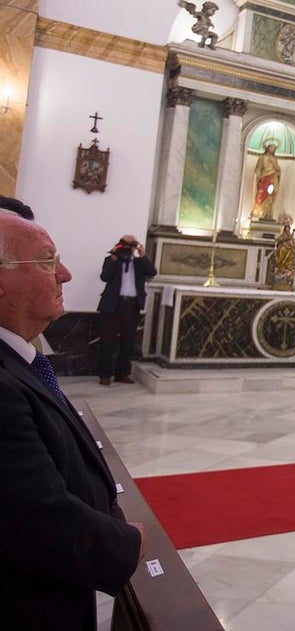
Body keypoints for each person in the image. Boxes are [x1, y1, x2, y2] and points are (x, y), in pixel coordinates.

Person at [0, 201, 146, 630]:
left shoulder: (21, 361)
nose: (64, 274)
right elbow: (36, 518)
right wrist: (128, 542)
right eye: (48, 261)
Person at [96, 234, 157, 385]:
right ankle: (105, 374)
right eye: (126, 244)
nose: (128, 248)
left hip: (132, 305)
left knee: (128, 341)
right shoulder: (111, 260)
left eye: (132, 244)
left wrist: (142, 255)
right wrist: (114, 256)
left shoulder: (139, 263)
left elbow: (152, 272)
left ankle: (122, 373)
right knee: (107, 340)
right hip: (112, 304)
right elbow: (105, 277)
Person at [251, 140, 282, 221]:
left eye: (274, 148)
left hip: (272, 178)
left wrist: (276, 169)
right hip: (264, 178)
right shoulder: (262, 157)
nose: (272, 149)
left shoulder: (275, 159)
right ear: (267, 148)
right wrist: (258, 177)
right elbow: (258, 168)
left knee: (270, 196)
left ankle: (268, 213)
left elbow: (278, 170)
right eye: (271, 147)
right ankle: (260, 213)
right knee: (261, 194)